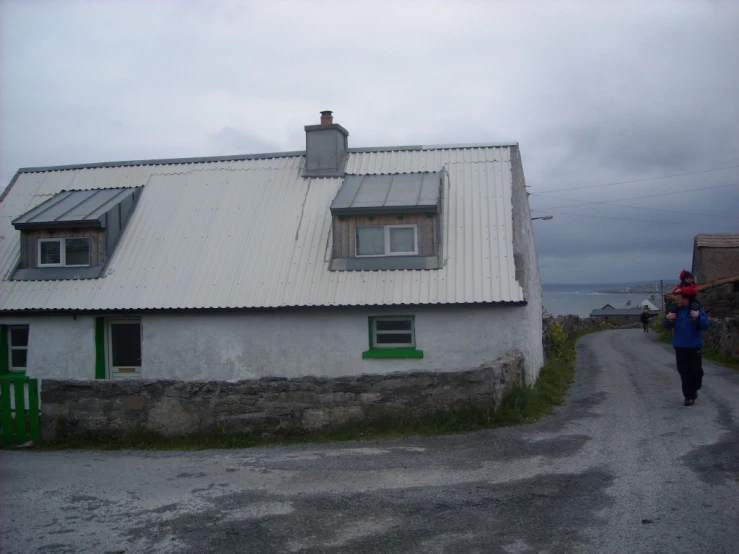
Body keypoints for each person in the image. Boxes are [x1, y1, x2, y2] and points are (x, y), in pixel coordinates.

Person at [663, 292, 710, 406]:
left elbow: (706, 325)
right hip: (680, 347)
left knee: (696, 372)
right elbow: (667, 325)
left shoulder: (696, 310)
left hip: (694, 346)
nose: (676, 302)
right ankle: (688, 396)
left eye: (678, 299)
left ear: (686, 299)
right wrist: (667, 318)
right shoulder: (676, 311)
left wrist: (697, 317)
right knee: (684, 372)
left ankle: (695, 388)